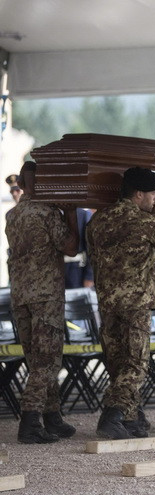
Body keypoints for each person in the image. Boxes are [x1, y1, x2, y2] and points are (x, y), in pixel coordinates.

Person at [87, 167, 155, 439]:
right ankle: (113, 415)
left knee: (118, 362)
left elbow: (92, 255)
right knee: (136, 364)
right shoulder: (146, 222)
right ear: (139, 194)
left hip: (107, 302)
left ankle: (130, 419)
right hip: (136, 304)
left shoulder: (98, 221)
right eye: (153, 193)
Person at [7, 161, 79, 443]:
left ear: (21, 186)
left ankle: (52, 417)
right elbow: (71, 247)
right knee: (47, 361)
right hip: (46, 295)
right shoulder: (48, 213)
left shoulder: (12, 215)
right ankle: (30, 421)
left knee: (35, 359)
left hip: (21, 295)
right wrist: (70, 213)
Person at [64, 208, 95, 289]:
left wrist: (89, 276)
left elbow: (91, 248)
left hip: (77, 270)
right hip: (54, 272)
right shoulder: (49, 214)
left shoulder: (83, 214)